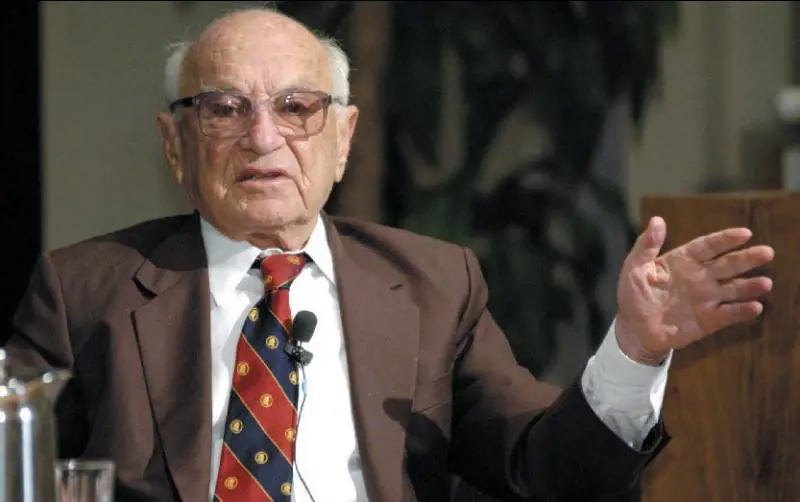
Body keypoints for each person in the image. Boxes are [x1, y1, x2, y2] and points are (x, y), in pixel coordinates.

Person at [6, 7, 774, 502]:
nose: (263, 138)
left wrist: (634, 349)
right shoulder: (83, 293)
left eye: (297, 108)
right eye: (224, 109)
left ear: (343, 139)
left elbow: (545, 470)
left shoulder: (435, 285)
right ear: (175, 143)